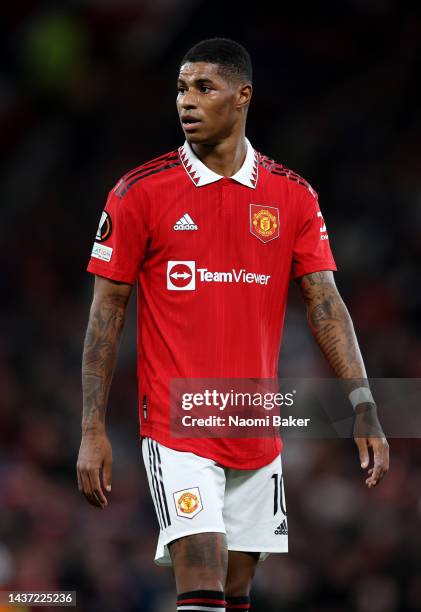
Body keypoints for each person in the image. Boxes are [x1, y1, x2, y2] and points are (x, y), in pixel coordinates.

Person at [77, 38, 389, 612]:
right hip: (176, 425)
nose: (186, 102)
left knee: (238, 589)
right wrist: (92, 428)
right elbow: (106, 313)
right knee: (201, 570)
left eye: (203, 87)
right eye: (180, 88)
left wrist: (362, 400)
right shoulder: (140, 191)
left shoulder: (292, 197)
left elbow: (325, 302)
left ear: (242, 96)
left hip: (254, 422)